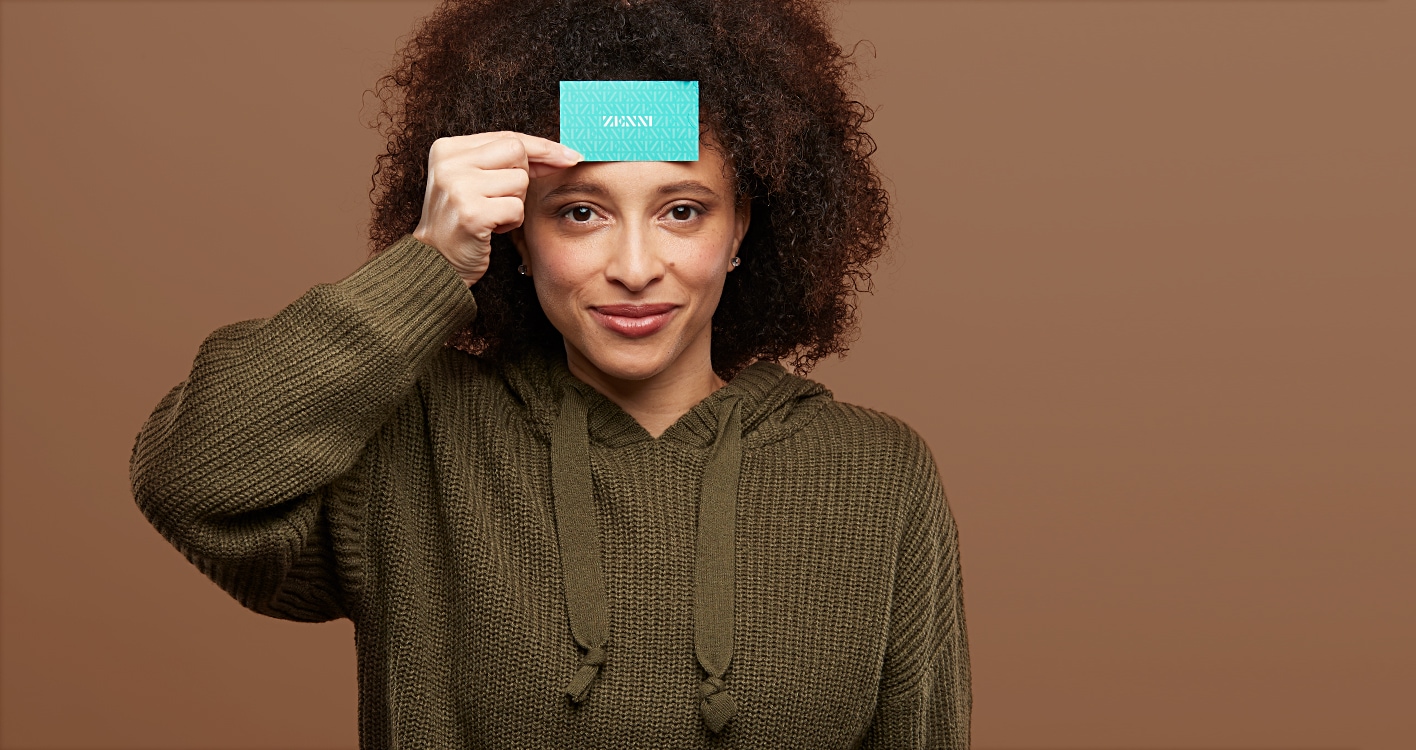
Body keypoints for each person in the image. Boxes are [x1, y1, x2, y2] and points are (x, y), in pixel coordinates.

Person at [126, 0, 967, 746]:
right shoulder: (409, 444)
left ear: (742, 226)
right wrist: (425, 266)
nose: (635, 266)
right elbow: (193, 478)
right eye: (580, 212)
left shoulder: (878, 476)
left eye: (683, 211)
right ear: (516, 235)